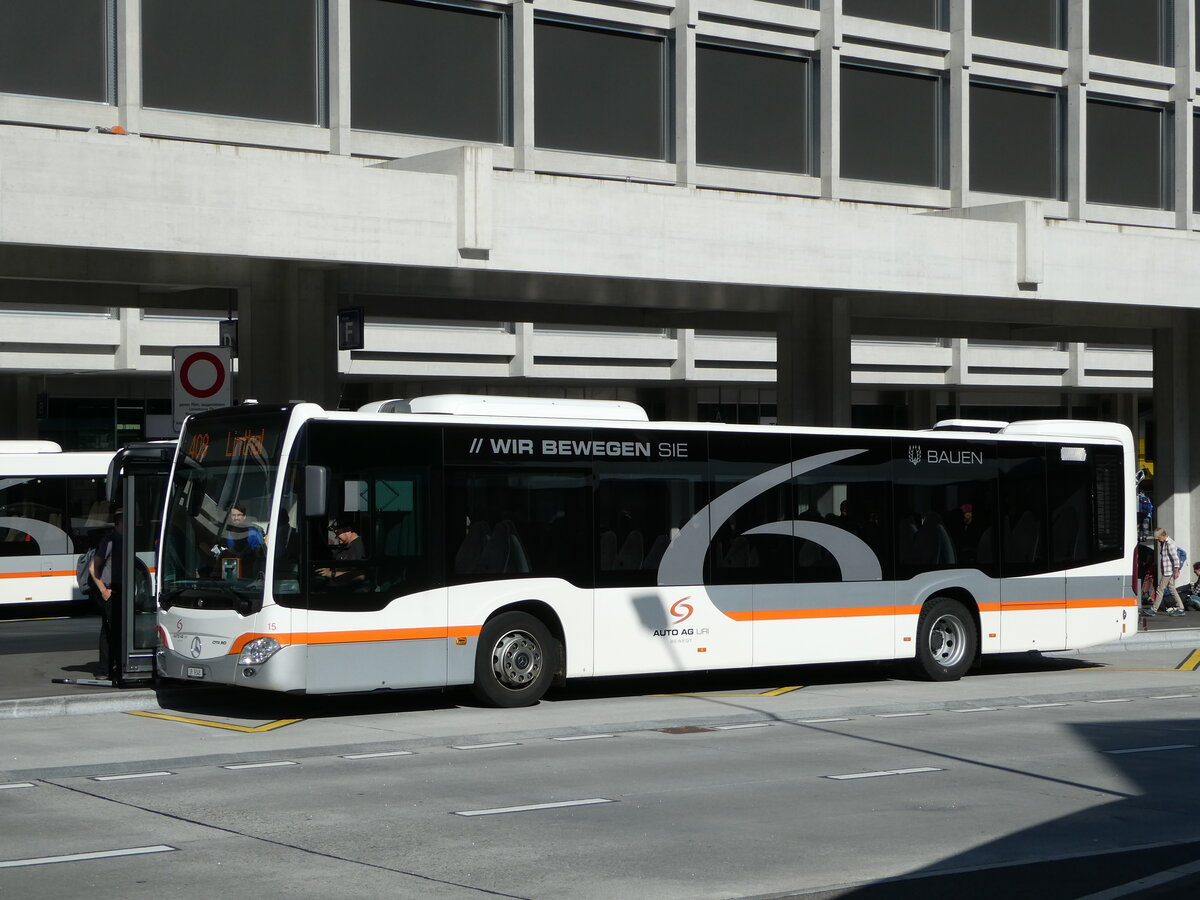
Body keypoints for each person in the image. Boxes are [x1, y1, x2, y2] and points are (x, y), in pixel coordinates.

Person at [88, 509, 123, 678]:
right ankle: (108, 668)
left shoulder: (120, 538)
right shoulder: (110, 540)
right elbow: (93, 567)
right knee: (112, 630)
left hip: (116, 590)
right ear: (120, 522)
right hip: (110, 591)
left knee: (108, 630)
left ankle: (106, 668)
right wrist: (103, 590)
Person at [214, 501, 265, 579]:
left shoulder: (253, 534)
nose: (236, 518)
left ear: (244, 516)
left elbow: (259, 557)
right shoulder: (225, 533)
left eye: (239, 515)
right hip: (229, 572)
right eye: (233, 515)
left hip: (249, 574)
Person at [1148, 527, 1186, 617]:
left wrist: (1177, 570)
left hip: (1169, 572)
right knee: (1172, 589)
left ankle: (1154, 609)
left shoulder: (1170, 544)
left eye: (1158, 538)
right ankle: (1181, 608)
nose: (1157, 540)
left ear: (1163, 536)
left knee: (1160, 589)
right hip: (1168, 571)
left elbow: (1175, 558)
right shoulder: (1165, 543)